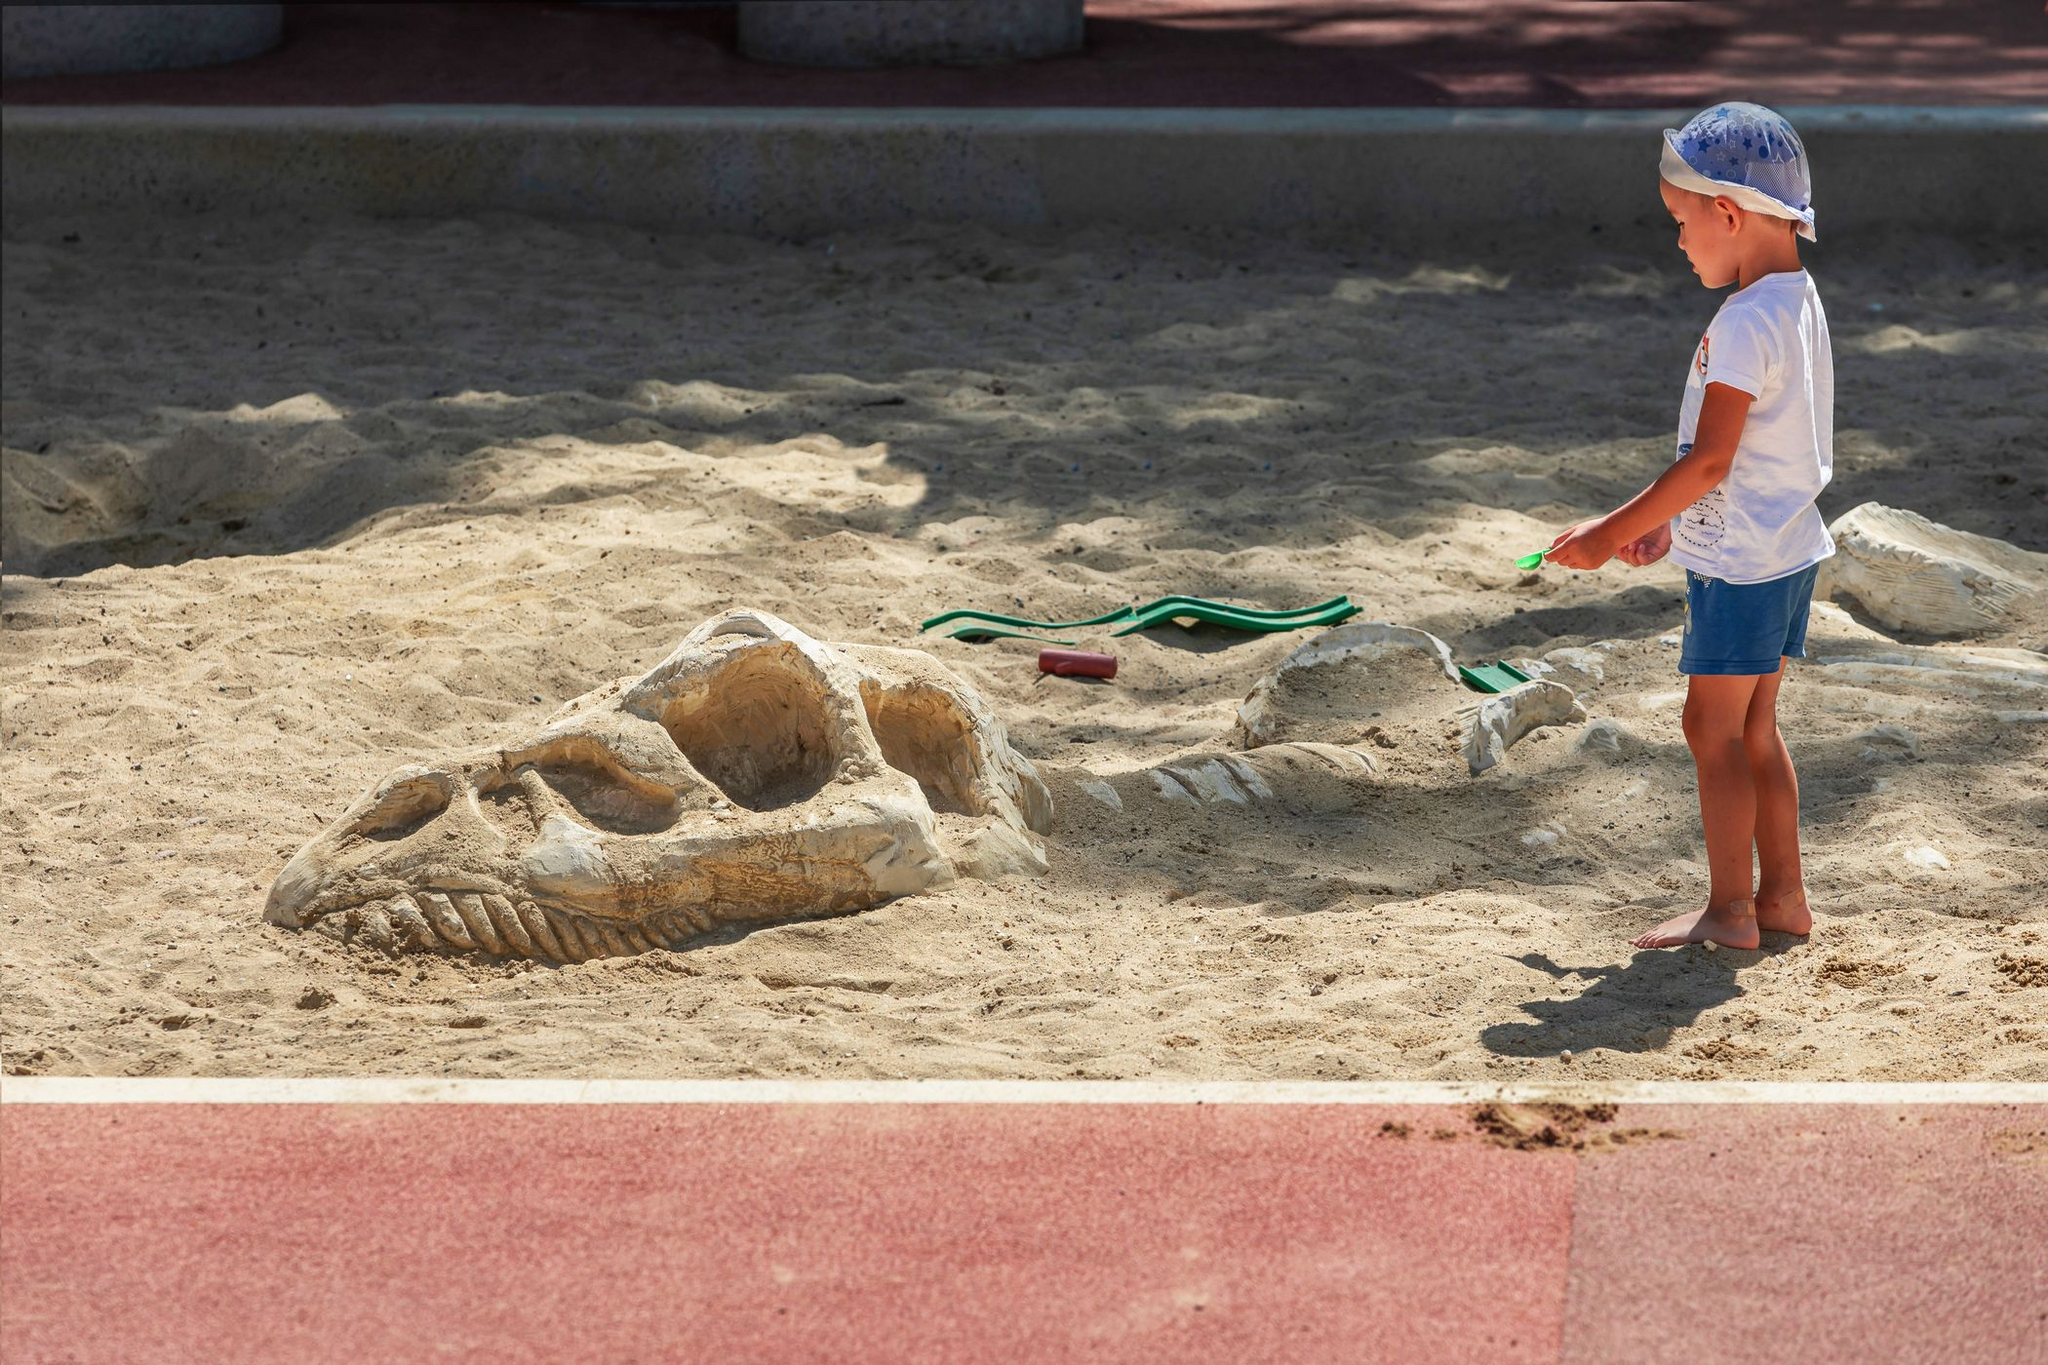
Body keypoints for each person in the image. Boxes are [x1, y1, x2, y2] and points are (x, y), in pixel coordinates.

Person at [1546, 103, 1832, 950]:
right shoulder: (1798, 300)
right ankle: (1782, 897)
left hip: (1741, 568)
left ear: (1730, 214)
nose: (1679, 243)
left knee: (1710, 730)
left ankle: (1730, 910)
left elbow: (1710, 461)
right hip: (1785, 552)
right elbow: (1759, 454)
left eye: (1682, 223)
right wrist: (1671, 527)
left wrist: (1606, 531)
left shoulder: (1743, 324)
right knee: (1756, 729)